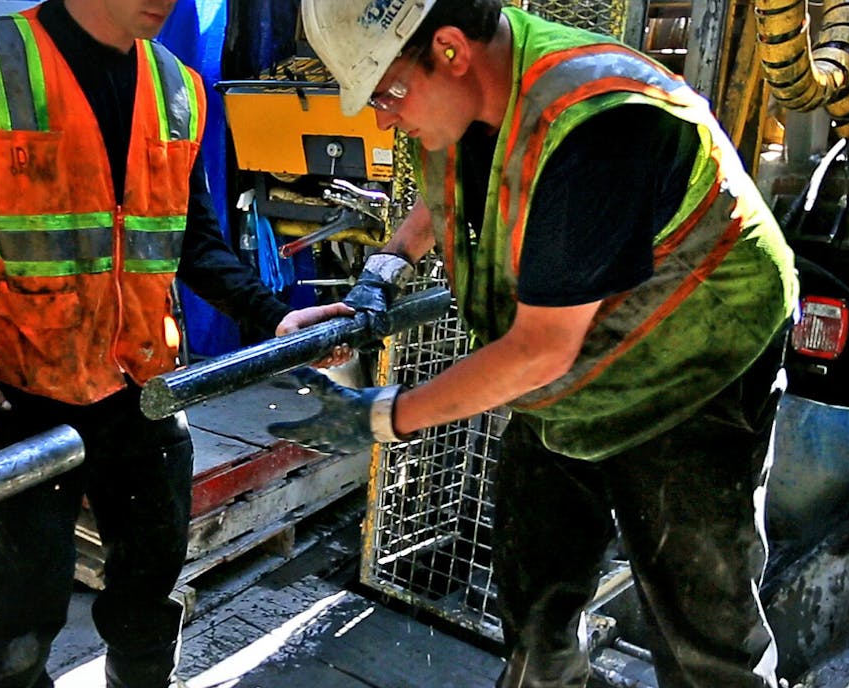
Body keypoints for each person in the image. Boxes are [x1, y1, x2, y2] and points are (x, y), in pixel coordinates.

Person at [271, 2, 800, 687]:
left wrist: (381, 414)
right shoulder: (475, 96)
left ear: (453, 49)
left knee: (702, 621)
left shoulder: (599, 123)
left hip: (693, 365)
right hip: (577, 368)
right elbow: (453, 189)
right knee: (535, 582)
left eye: (386, 93)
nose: (381, 116)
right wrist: (382, 275)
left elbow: (537, 352)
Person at [0, 1, 343, 686]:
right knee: (20, 595)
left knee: (150, 589)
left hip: (145, 388)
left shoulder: (178, 86)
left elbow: (193, 240)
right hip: (22, 388)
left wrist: (274, 316)